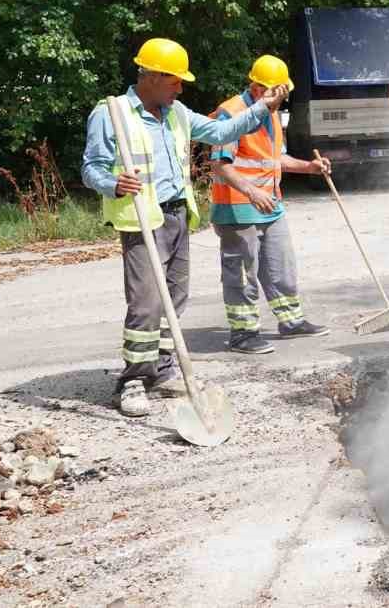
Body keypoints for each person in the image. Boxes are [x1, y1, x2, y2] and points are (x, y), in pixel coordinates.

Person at [81, 38, 288, 418]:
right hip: (142, 217)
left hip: (178, 215)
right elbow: (91, 167)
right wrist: (113, 183)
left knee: (175, 299)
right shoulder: (112, 113)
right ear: (153, 76)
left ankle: (160, 369)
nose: (181, 88)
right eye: (175, 81)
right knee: (146, 301)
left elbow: (222, 132)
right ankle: (132, 380)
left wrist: (263, 107)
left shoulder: (175, 112)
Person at [208, 55, 332, 355]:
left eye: (283, 94)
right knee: (241, 271)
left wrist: (309, 167)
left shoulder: (274, 114)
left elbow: (276, 158)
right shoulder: (231, 113)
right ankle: (243, 333)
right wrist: (252, 192)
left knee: (282, 265)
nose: (281, 99)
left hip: (270, 203)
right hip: (238, 206)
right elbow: (220, 166)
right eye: (276, 94)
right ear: (256, 86)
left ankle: (291, 321)